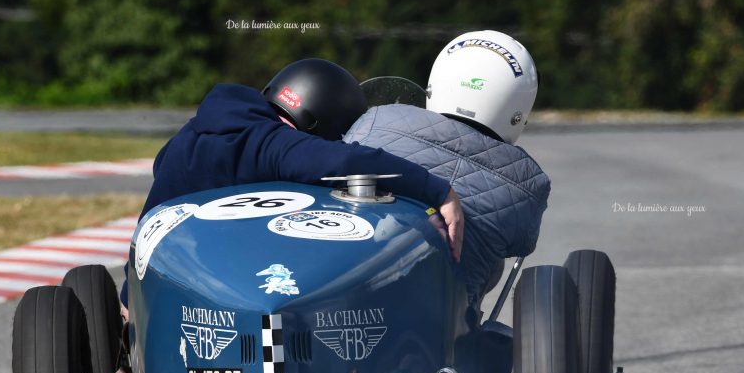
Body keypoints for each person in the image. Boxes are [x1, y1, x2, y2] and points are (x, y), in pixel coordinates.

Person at [121, 58, 465, 307]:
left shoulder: (196, 132)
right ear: (317, 123)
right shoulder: (271, 143)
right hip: (219, 292)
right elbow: (344, 161)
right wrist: (439, 191)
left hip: (149, 285)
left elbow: (159, 182)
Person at [345, 30, 550, 305]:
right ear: (518, 111)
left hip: (353, 286)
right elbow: (521, 244)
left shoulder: (377, 120)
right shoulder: (528, 183)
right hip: (443, 320)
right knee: (493, 259)